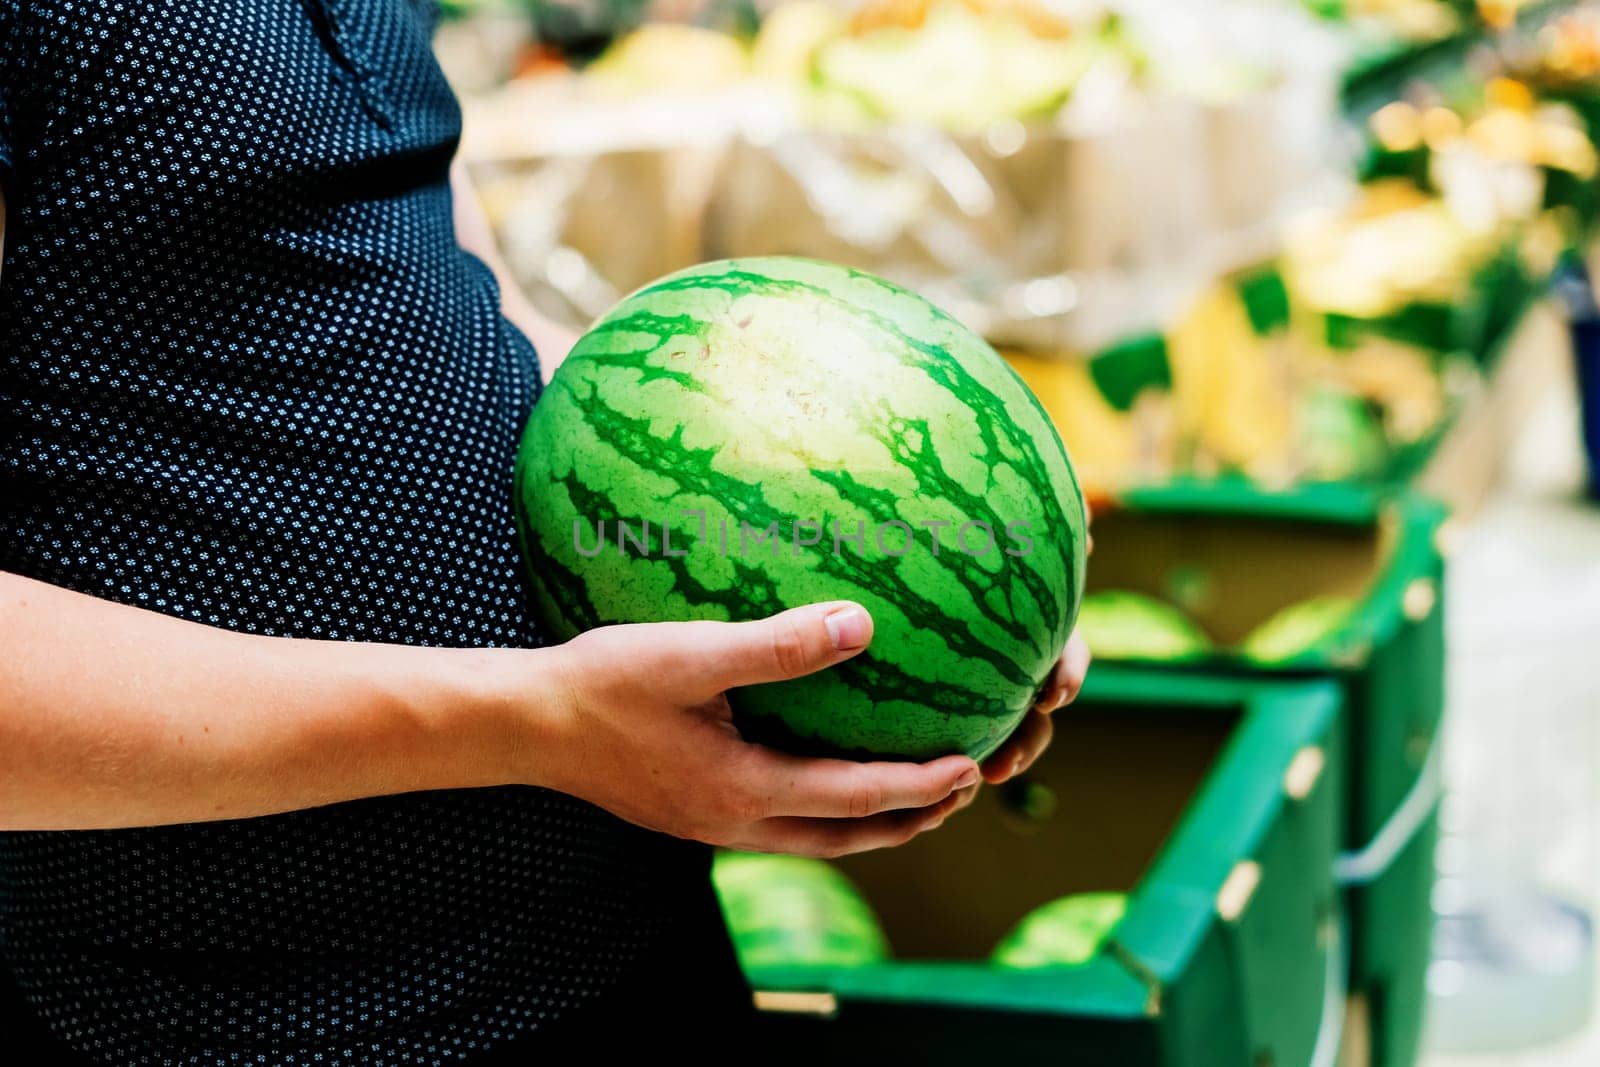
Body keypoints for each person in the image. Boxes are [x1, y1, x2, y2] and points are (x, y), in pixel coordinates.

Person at [0, 1, 1089, 1062]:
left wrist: (921, 532)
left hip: (622, 932)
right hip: (255, 1023)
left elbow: (434, 256)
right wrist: (525, 721)